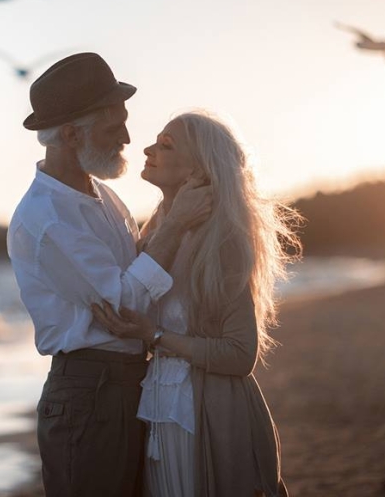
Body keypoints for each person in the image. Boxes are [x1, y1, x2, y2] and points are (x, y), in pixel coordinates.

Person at [7, 53, 212, 497]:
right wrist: (175, 224)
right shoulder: (47, 219)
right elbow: (125, 303)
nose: (126, 136)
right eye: (112, 126)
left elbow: (140, 269)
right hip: (89, 391)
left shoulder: (102, 195)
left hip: (128, 382)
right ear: (68, 134)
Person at [91, 110, 300, 497]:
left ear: (199, 170)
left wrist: (153, 334)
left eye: (166, 144)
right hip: (159, 407)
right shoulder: (154, 235)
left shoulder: (221, 244)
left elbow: (240, 354)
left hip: (207, 413)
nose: (148, 149)